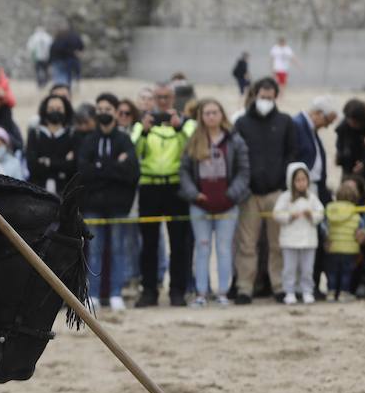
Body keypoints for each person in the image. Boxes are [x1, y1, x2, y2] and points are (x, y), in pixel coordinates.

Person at [179, 99, 250, 307]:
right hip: (200, 205)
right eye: (207, 113)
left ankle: (222, 293)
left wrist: (231, 194)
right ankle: (201, 292)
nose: (211, 116)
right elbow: (184, 170)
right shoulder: (193, 140)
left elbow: (244, 171)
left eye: (214, 112)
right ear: (201, 116)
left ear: (222, 114)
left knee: (224, 248)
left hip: (227, 205)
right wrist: (194, 194)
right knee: (202, 248)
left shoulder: (234, 140)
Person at [233, 77, 297, 304]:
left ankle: (278, 285)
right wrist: (244, 185)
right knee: (246, 244)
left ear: (275, 97)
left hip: (276, 193)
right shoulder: (241, 123)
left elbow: (291, 153)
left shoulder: (285, 122)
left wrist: (283, 184)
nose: (266, 101)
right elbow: (236, 156)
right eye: (262, 97)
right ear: (255, 96)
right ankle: (244, 287)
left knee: (277, 243)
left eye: (270, 97)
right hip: (249, 194)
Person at [133, 82, 194, 307]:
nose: (162, 101)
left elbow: (191, 149)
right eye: (158, 97)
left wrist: (178, 128)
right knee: (148, 244)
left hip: (176, 186)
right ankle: (149, 290)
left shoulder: (186, 124)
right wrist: (144, 131)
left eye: (166, 97)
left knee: (179, 243)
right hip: (150, 186)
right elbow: (133, 151)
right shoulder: (142, 124)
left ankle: (177, 290)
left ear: (173, 98)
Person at [76, 95, 139, 309]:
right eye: (100, 108)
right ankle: (92, 293)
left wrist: (101, 167)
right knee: (94, 250)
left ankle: (115, 293)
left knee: (118, 249)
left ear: (115, 112)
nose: (104, 112)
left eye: (108, 108)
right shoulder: (89, 141)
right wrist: (112, 167)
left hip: (118, 205)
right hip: (93, 205)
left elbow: (131, 172)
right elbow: (84, 171)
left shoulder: (124, 140)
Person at [273, 163, 324, 305]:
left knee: (307, 268)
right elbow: (277, 214)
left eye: (304, 179)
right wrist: (290, 216)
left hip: (308, 240)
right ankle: (289, 291)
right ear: (291, 181)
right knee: (290, 268)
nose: (301, 183)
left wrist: (311, 216)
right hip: (290, 240)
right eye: (298, 180)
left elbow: (320, 212)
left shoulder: (312, 197)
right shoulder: (285, 197)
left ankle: (307, 290)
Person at [26, 94, 75, 195]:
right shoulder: (35, 134)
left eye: (59, 108)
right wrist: (62, 163)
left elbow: (73, 168)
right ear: (45, 110)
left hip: (64, 192)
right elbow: (32, 166)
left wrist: (47, 162)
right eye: (51, 108)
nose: (55, 111)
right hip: (37, 191)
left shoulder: (72, 135)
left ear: (65, 110)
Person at [324, 181, 364, 302]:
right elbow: (361, 230)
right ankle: (343, 293)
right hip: (349, 249)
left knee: (332, 272)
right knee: (346, 272)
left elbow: (324, 227)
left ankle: (331, 292)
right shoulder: (356, 213)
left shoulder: (330, 211)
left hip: (333, 247)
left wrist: (326, 240)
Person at [335, 98, 365, 179]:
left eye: (354, 122)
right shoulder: (344, 127)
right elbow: (340, 145)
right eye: (349, 121)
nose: (352, 124)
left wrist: (364, 162)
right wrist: (340, 156)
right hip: (348, 167)